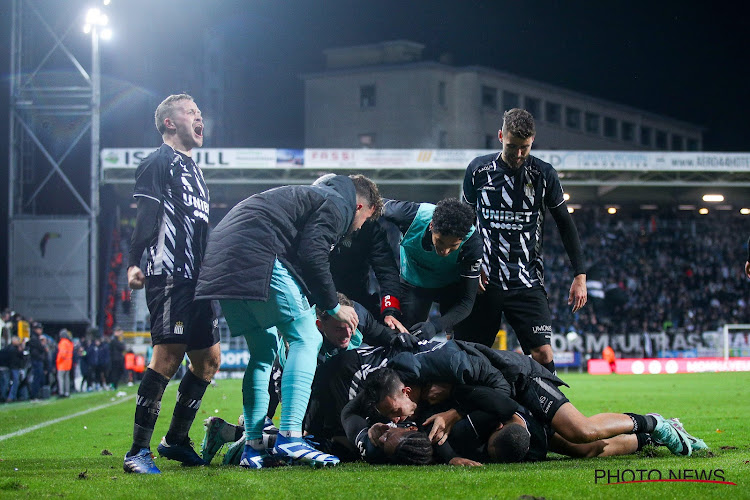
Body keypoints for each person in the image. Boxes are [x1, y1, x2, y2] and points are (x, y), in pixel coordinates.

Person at [195, 173, 381, 469]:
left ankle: (253, 445)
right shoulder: (339, 204)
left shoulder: (307, 199)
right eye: (365, 221)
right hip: (258, 252)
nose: (358, 229)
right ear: (360, 207)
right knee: (307, 337)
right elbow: (312, 253)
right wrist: (333, 306)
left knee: (263, 351)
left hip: (220, 259)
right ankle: (291, 436)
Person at [363, 341, 707, 458]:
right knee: (587, 451)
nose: (397, 419)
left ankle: (657, 424)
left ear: (407, 391)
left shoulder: (451, 364)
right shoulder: (406, 387)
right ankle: (644, 437)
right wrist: (375, 432)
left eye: (394, 412)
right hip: (504, 407)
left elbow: (500, 389)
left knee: (582, 431)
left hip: (521, 381)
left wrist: (454, 411)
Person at [123, 94, 220, 474]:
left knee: (208, 361)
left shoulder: (195, 170)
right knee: (167, 358)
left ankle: (175, 441)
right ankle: (137, 452)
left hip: (199, 279)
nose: (199, 117)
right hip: (170, 275)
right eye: (190, 112)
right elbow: (147, 214)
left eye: (200, 112)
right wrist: (134, 262)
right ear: (169, 123)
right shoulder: (157, 162)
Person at [458, 108, 587, 374]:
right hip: (485, 280)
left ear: (532, 142)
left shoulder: (543, 174)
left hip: (526, 280)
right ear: (500, 136)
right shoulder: (478, 170)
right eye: (512, 147)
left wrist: (580, 275)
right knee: (470, 352)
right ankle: (467, 413)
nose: (518, 155)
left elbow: (565, 223)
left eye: (525, 148)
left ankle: (549, 413)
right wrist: (470, 264)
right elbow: (464, 222)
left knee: (542, 352)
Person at [382, 198, 482, 339]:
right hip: (413, 282)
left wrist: (435, 326)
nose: (445, 251)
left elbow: (466, 302)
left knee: (461, 339)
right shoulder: (407, 214)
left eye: (453, 246)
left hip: (450, 286)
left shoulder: (472, 244)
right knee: (405, 337)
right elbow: (372, 202)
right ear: (431, 225)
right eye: (440, 241)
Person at [329, 218, 406, 332]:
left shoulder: (370, 227)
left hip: (357, 299)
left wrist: (390, 310)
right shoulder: (322, 220)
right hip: (319, 298)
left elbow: (386, 270)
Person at [55, 329, 74, 398]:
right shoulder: (70, 343)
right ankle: (67, 392)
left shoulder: (63, 342)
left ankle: (61, 392)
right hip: (68, 363)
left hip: (62, 364)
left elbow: (62, 354)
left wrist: (58, 361)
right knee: (66, 378)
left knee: (61, 378)